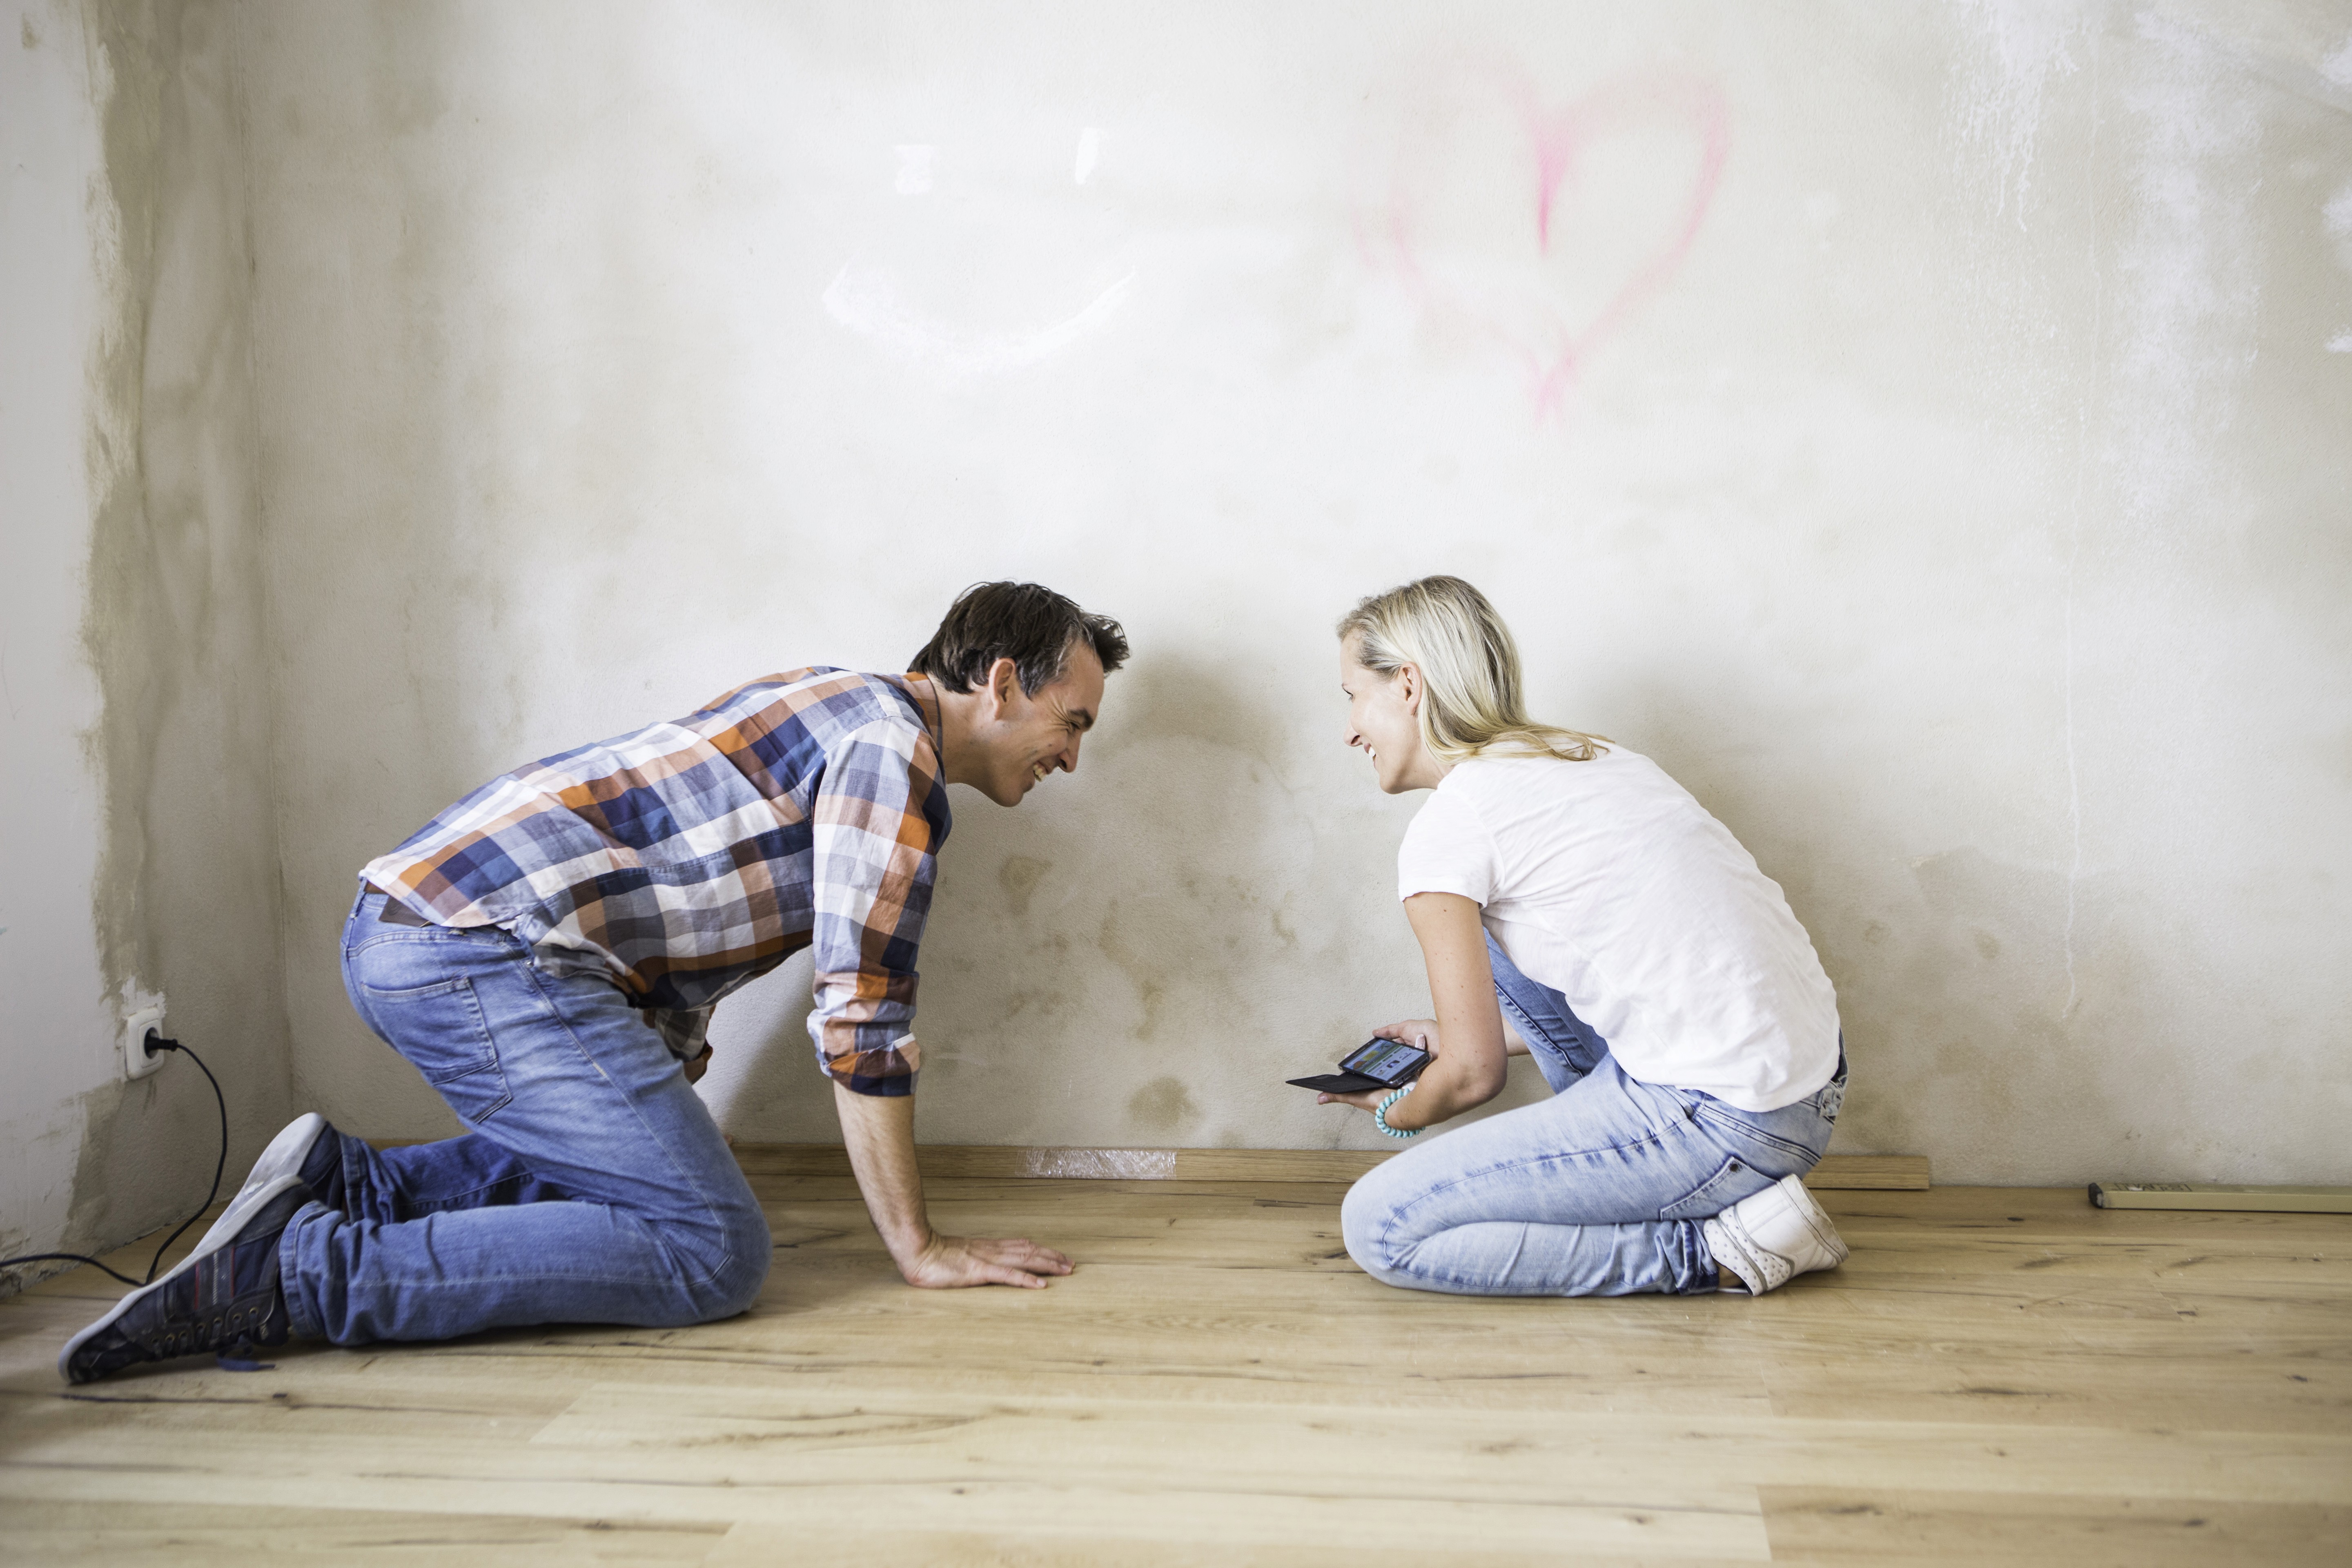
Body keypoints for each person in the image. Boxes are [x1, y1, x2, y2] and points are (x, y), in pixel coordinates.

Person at [63, 582, 1127, 1383]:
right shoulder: (889, 755)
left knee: (639, 1183)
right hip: (478, 949)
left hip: (432, 928)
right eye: (1071, 722)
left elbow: (674, 909)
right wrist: (921, 1247)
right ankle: (293, 1276)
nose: (1072, 758)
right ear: (997, 683)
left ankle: (358, 1185)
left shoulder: (833, 703)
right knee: (710, 1250)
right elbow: (862, 1014)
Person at [1323, 575, 1850, 1298]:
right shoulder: (1589, 756)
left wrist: (1396, 1110)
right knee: (1505, 922)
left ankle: (1720, 1251)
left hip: (1724, 1120)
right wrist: (1464, 1038)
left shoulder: (1451, 829)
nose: (1350, 728)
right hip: (1808, 1090)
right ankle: (1700, 1195)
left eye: (1353, 694)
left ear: (1407, 685)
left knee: (1381, 1226)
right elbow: (1630, 964)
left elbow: (1473, 1078)